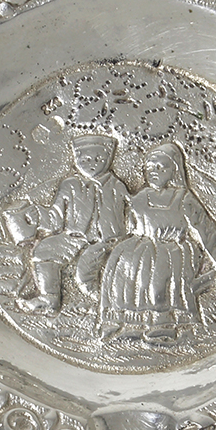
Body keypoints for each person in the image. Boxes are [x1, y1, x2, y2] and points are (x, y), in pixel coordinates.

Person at [100, 143, 216, 342]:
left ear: (174, 170)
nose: (154, 171)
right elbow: (129, 225)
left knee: (160, 269)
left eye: (161, 167)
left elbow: (206, 229)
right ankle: (125, 322)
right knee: (122, 265)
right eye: (150, 167)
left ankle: (163, 323)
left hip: (173, 248)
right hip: (141, 245)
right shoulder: (140, 198)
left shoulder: (183, 198)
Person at [19, 134, 129, 314]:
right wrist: (38, 215)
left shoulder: (116, 186)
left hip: (106, 241)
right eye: (85, 159)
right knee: (44, 250)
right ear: (76, 159)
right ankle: (49, 298)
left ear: (108, 159)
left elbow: (132, 211)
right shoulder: (69, 185)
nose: (91, 163)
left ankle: (107, 302)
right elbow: (55, 218)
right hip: (73, 238)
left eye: (98, 159)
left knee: (85, 272)